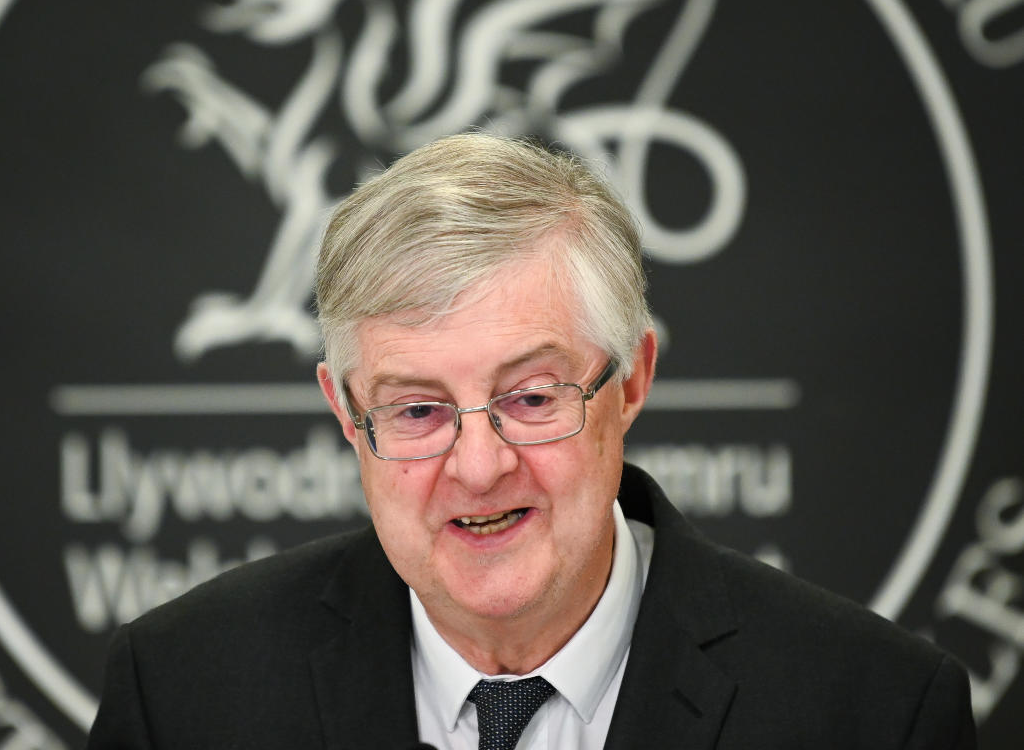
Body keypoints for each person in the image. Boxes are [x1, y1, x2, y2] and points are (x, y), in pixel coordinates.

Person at [86, 133, 975, 749]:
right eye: (418, 411)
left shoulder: (872, 713)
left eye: (531, 396)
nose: (479, 466)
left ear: (629, 382)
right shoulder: (182, 696)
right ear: (344, 410)